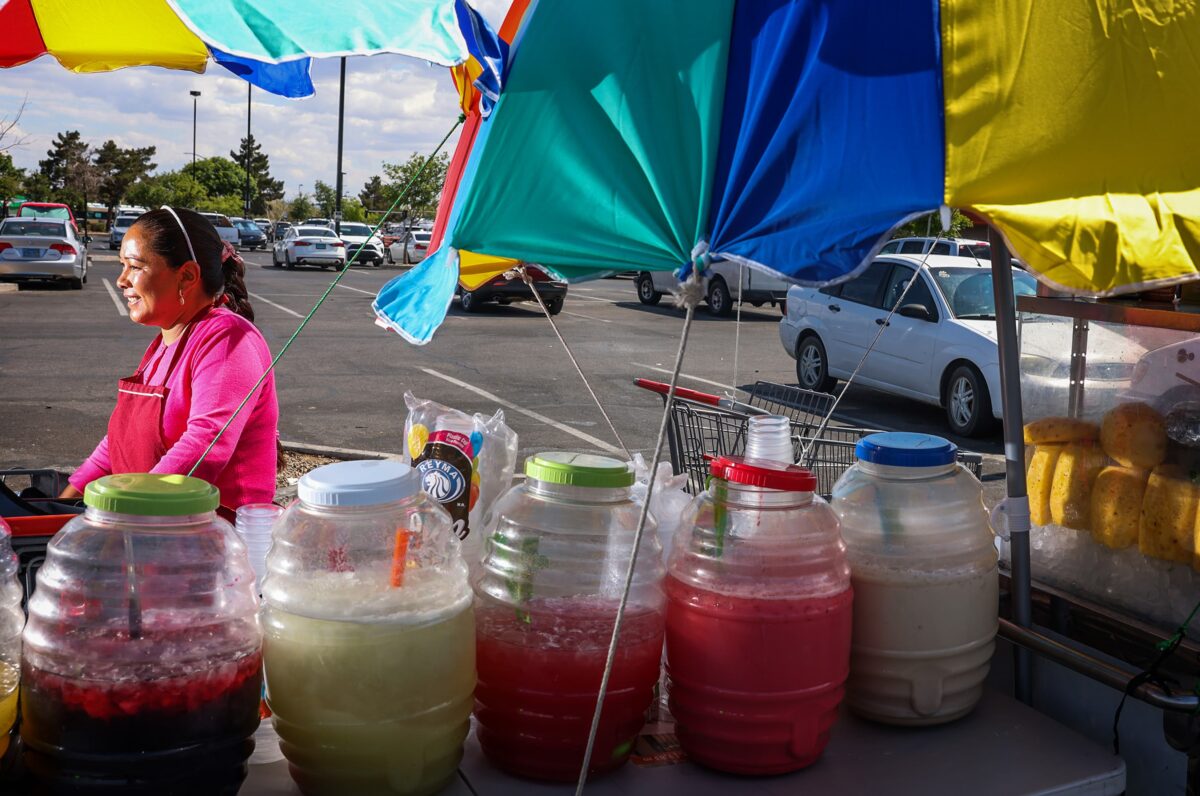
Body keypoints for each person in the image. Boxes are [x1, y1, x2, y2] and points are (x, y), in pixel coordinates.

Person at [62, 207, 279, 518]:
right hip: (154, 532)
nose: (122, 280)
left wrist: (125, 514)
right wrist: (57, 509)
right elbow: (117, 446)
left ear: (187, 275)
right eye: (123, 265)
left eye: (134, 266)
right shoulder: (163, 345)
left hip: (215, 540)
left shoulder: (228, 339)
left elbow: (204, 446)